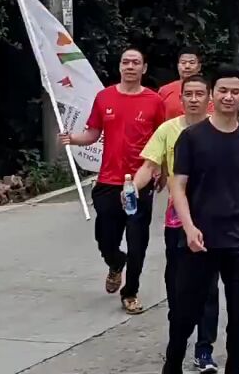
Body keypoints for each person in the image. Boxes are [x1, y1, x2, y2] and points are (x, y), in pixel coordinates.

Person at [165, 65, 239, 374]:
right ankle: (172, 364)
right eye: (222, 90)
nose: (228, 96)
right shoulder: (191, 137)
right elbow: (177, 185)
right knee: (185, 313)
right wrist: (190, 228)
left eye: (235, 91)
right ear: (212, 95)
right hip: (199, 241)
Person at [63, 48, 165, 315]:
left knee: (137, 240)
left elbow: (162, 140)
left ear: (144, 68)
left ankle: (130, 292)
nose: (130, 66)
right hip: (108, 180)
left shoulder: (154, 101)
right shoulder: (104, 97)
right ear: (119, 66)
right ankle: (116, 262)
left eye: (136, 63)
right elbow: (93, 133)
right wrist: (72, 139)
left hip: (139, 182)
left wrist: (160, 171)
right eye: (125, 62)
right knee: (105, 237)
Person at [135, 75, 220, 372]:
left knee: (209, 289)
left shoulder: (218, 129)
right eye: (189, 94)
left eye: (200, 94)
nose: (194, 99)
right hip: (176, 223)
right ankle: (176, 349)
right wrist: (132, 189)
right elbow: (149, 165)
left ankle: (205, 350)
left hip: (212, 222)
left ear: (209, 98)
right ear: (181, 98)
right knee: (178, 289)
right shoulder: (167, 130)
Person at [159, 48, 207, 120]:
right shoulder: (164, 90)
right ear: (178, 66)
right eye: (183, 62)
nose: (187, 66)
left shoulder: (208, 91)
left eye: (192, 63)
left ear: (199, 67)